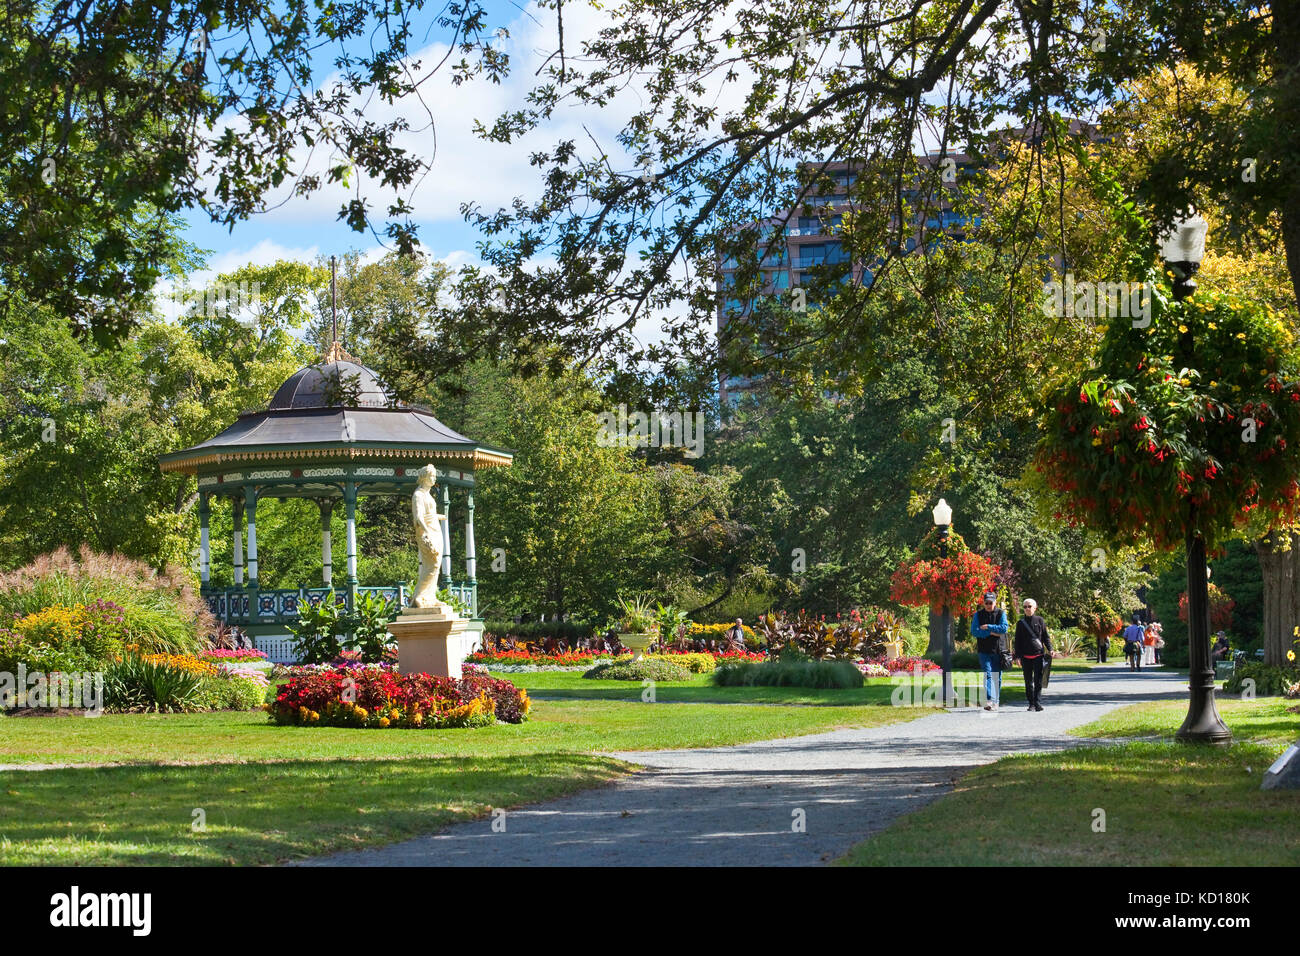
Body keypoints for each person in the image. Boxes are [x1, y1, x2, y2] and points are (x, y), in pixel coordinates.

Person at [971, 591, 1009, 710]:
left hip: (998, 650)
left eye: (990, 603)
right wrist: (991, 633)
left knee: (996, 676)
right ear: (983, 603)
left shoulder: (1001, 613)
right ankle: (988, 700)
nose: (988, 605)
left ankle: (996, 701)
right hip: (984, 650)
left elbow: (1004, 629)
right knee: (987, 674)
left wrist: (988, 627)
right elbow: (975, 631)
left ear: (995, 602)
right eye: (986, 603)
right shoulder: (978, 615)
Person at [1014, 598, 1053, 711]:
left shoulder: (1040, 620)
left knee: (1038, 680)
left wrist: (1050, 649)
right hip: (1025, 656)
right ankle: (1031, 703)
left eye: (1029, 606)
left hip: (1038, 655)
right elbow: (1018, 641)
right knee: (1028, 681)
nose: (1027, 609)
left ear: (1035, 608)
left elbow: (1046, 637)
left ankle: (1037, 702)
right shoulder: (1020, 623)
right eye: (1025, 607)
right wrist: (1017, 657)